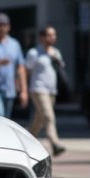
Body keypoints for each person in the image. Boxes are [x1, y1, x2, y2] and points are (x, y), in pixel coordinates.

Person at [26, 25, 66, 157]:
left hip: (51, 91)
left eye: (54, 35)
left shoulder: (56, 52)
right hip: (38, 89)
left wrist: (56, 59)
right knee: (48, 116)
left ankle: (26, 142)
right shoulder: (34, 53)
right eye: (50, 35)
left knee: (39, 120)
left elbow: (60, 68)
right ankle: (55, 144)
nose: (53, 37)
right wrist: (24, 90)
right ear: (42, 37)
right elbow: (27, 71)